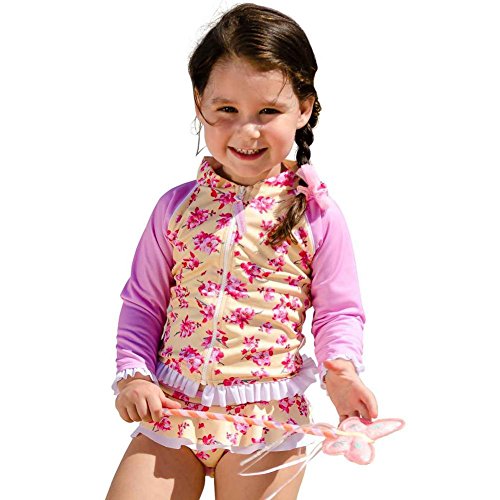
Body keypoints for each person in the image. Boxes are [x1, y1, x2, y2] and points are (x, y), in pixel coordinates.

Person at [106, 3, 378, 499]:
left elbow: (339, 310)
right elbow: (143, 303)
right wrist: (134, 376)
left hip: (265, 420)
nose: (246, 131)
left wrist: (340, 372)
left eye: (267, 112)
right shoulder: (175, 209)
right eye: (226, 110)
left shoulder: (316, 214)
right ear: (199, 103)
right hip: (173, 408)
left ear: (304, 108)